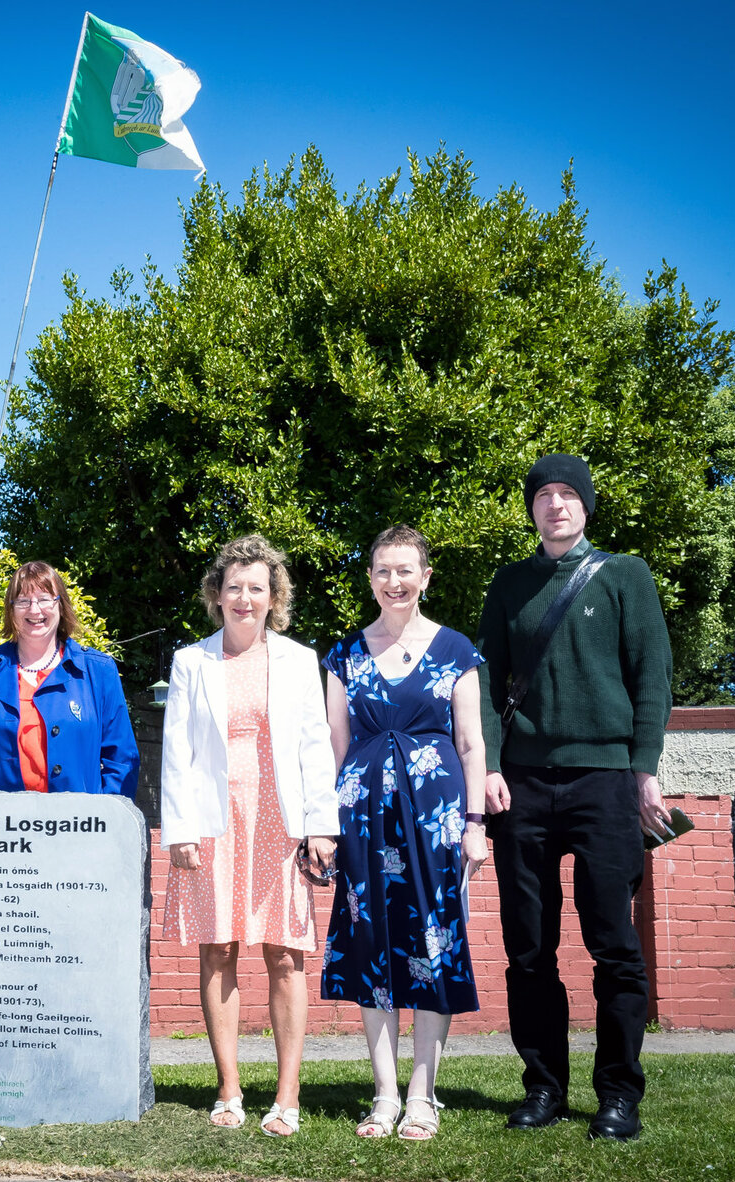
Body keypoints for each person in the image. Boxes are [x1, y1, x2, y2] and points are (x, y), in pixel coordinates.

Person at [476, 454, 673, 1142]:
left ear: (586, 506)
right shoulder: (509, 584)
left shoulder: (626, 576)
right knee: (529, 948)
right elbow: (487, 683)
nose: (555, 504)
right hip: (523, 786)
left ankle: (619, 1096)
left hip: (605, 782)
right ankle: (544, 1089)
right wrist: (491, 768)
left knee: (614, 944)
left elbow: (652, 677)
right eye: (544, 495)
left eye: (567, 495)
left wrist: (643, 768)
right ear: (531, 509)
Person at [161, 535, 338, 1138]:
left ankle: (288, 1095)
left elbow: (315, 746)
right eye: (233, 586)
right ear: (218, 594)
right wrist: (179, 829)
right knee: (218, 948)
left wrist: (321, 827)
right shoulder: (191, 661)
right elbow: (178, 751)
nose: (244, 597)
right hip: (213, 820)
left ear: (273, 596)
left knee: (285, 953)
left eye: (256, 587)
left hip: (278, 819)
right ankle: (229, 1089)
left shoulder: (298, 659)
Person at [320, 525, 488, 1142]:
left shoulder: (456, 649)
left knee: (433, 943)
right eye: (383, 571)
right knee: (373, 945)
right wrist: (326, 828)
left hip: (436, 820)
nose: (395, 581)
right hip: (362, 818)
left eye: (406, 570)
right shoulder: (342, 655)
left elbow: (471, 743)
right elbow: (335, 746)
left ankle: (424, 1094)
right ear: (370, 579)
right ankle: (385, 1094)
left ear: (425, 577)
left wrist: (475, 824)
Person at [0, 561, 138, 796]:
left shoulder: (98, 671)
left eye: (45, 599)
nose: (34, 610)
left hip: (79, 826)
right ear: (11, 609)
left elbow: (121, 759)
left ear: (60, 605)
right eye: (23, 601)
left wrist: (105, 822)